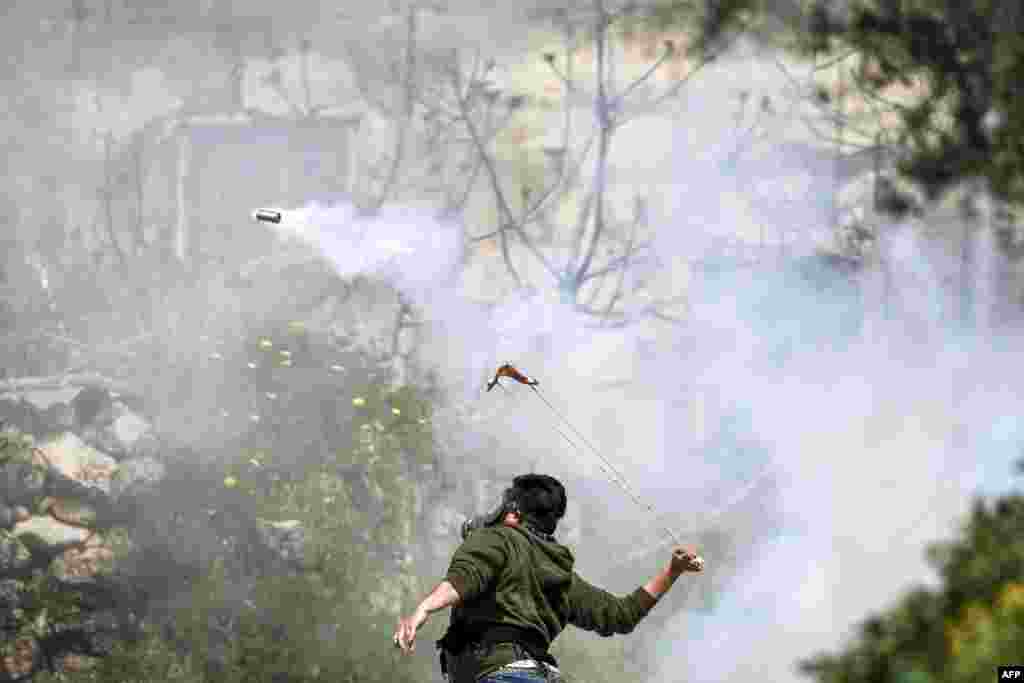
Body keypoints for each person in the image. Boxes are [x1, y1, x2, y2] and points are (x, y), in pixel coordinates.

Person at [392, 474, 704, 683]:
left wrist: (422, 611)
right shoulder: (561, 575)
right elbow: (620, 615)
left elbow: (463, 579)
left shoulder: (498, 538)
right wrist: (672, 571)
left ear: (513, 511)